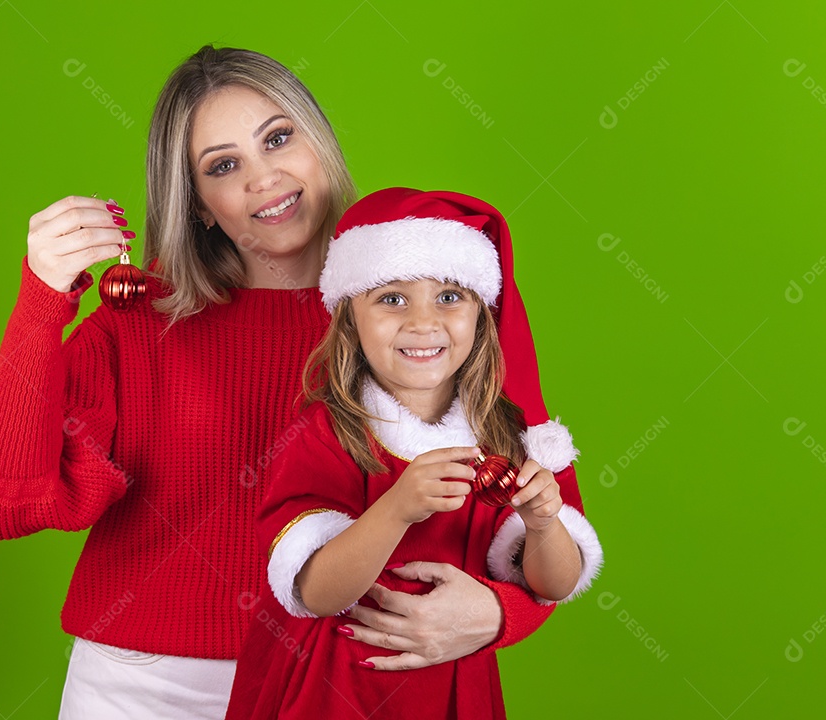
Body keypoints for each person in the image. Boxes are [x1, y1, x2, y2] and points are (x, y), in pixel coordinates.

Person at [0, 46, 564, 719]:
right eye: (223, 165)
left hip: (336, 681)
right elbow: (5, 503)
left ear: (318, 142)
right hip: (147, 687)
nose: (264, 179)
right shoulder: (141, 318)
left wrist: (500, 615)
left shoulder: (419, 304)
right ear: (200, 203)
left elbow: (539, 511)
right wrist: (42, 301)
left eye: (277, 138)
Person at [224, 187, 603, 719]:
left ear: (482, 313)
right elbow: (313, 592)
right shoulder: (325, 433)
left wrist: (543, 526)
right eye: (392, 297)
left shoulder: (507, 438)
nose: (423, 322)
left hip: (453, 691)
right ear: (350, 317)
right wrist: (397, 508)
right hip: (331, 691)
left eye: (449, 296)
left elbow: (555, 586)